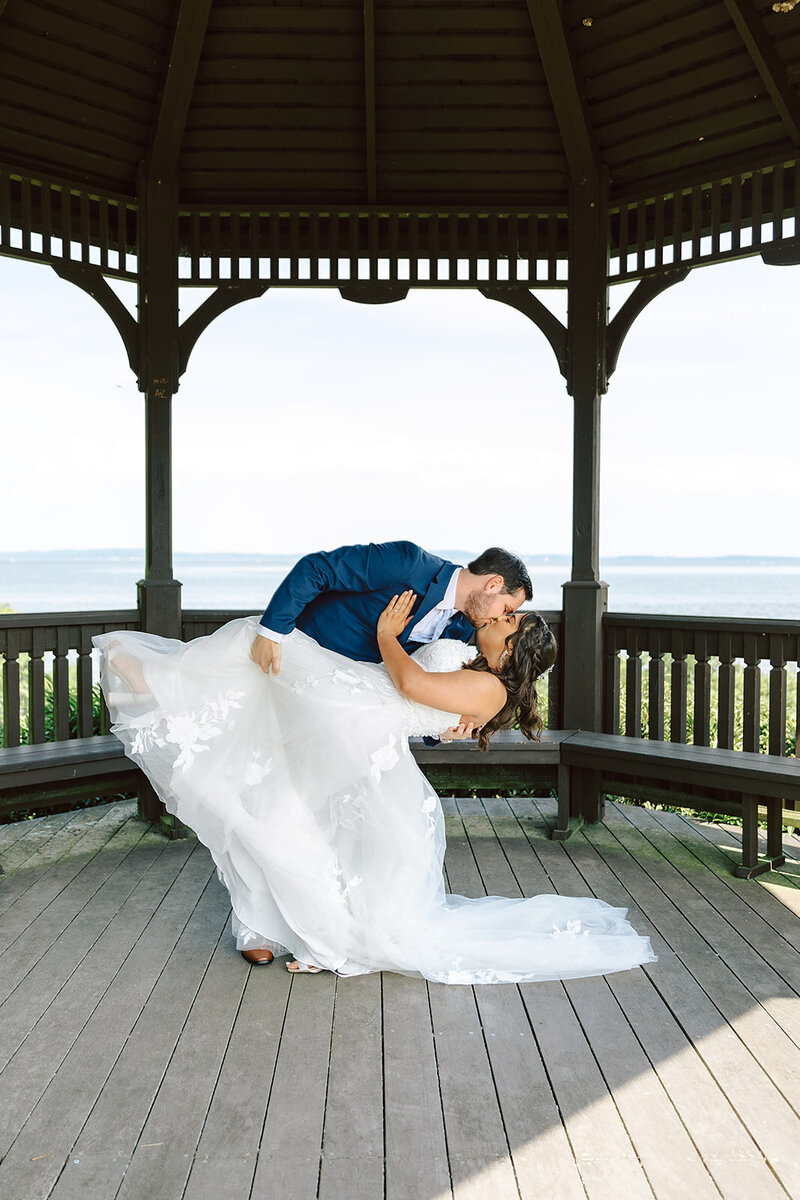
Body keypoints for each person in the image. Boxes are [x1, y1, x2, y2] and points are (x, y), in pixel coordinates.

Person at [93, 543, 656, 985]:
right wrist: (274, 630)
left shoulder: (468, 634)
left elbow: (417, 691)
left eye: (510, 619)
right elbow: (319, 569)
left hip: (344, 720)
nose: (506, 616)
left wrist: (441, 716)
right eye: (509, 607)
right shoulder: (409, 564)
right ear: (492, 585)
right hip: (309, 677)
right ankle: (258, 925)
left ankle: (298, 927)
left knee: (272, 809)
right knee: (253, 742)